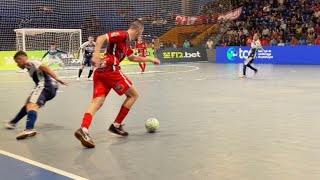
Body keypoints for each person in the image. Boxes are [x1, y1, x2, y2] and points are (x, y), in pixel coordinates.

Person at [74, 19, 161, 148]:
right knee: (133, 95)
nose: (141, 35)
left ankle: (84, 129)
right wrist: (96, 54)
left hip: (101, 72)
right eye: (141, 33)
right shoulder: (123, 35)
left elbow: (132, 57)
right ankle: (116, 125)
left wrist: (149, 59)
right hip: (111, 69)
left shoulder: (127, 44)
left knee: (97, 102)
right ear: (139, 30)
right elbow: (101, 38)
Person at [4, 51, 68, 140]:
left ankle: (29, 129)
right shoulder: (29, 65)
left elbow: (44, 67)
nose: (17, 65)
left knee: (31, 105)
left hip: (45, 87)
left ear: (21, 59)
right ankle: (13, 122)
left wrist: (57, 78)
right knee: (28, 103)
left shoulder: (29, 62)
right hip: (47, 87)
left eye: (17, 62)